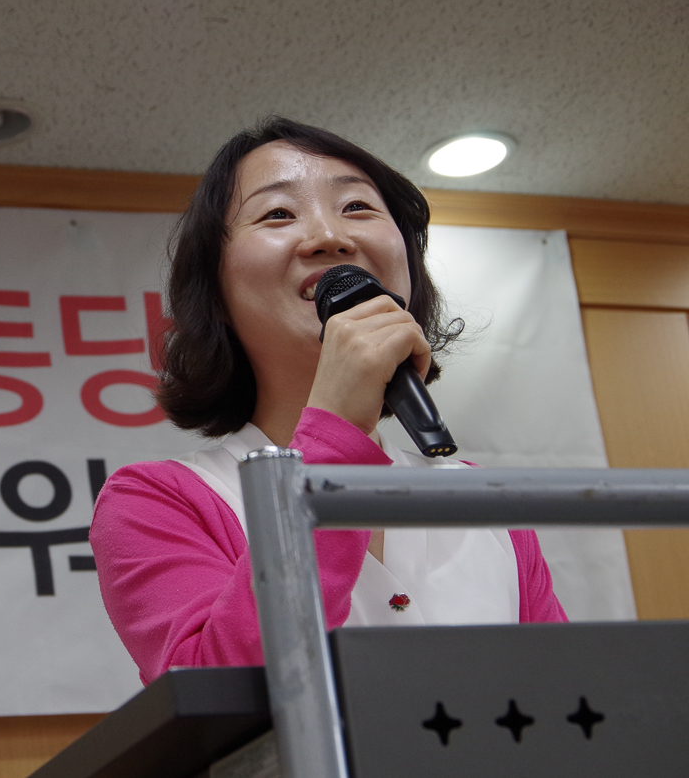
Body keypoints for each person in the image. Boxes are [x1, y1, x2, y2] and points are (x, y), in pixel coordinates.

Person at [89, 117, 566, 686]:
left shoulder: (480, 501)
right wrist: (338, 427)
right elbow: (223, 697)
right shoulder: (158, 500)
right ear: (214, 293)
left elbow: (564, 695)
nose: (329, 237)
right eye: (277, 214)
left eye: (358, 208)